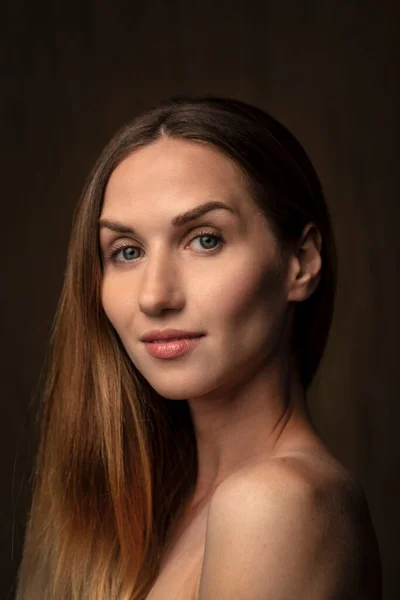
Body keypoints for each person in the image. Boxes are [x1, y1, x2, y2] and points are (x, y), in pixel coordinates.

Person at [16, 96, 382, 600]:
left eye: (204, 240)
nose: (155, 296)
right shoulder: (157, 508)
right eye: (126, 251)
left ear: (300, 262)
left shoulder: (277, 504)